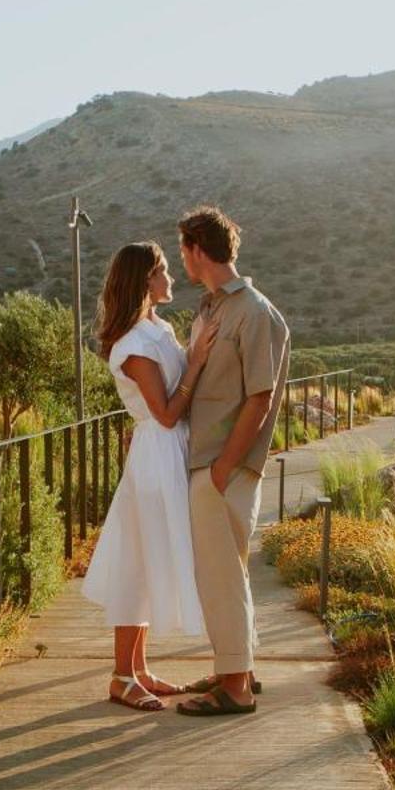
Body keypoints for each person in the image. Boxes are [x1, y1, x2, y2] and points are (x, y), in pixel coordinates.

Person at [81, 241, 220, 711]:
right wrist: (197, 363)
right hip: (158, 455)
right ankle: (121, 675)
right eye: (163, 271)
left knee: (148, 559)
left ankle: (138, 669)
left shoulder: (157, 330)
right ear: (145, 280)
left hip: (167, 451)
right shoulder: (133, 345)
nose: (171, 279)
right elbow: (163, 414)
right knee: (138, 564)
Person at [172, 206, 289, 717]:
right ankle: (234, 669)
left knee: (220, 573)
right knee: (225, 572)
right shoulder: (211, 309)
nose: (182, 259)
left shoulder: (253, 311)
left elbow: (259, 398)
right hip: (209, 460)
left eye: (183, 249)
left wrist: (224, 469)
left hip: (225, 465)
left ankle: (236, 688)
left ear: (198, 250)